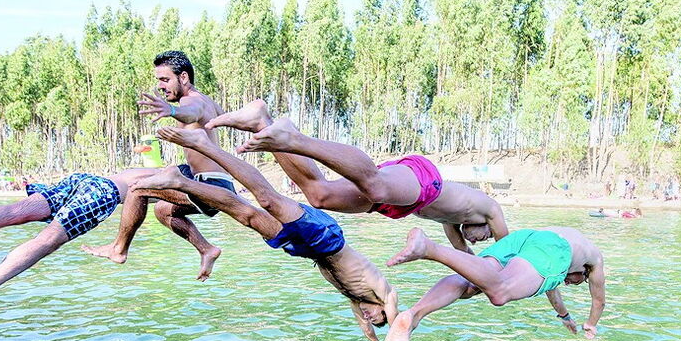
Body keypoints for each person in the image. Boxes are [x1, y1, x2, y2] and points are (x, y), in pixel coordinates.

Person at [131, 126, 399, 341]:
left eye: (371, 319)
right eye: (376, 316)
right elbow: (396, 316)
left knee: (246, 215)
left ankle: (180, 181)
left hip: (306, 251)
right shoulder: (382, 291)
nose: (368, 316)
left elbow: (367, 331)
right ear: (382, 309)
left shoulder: (355, 300)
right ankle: (205, 145)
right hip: (327, 238)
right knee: (267, 199)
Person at [205, 100, 508, 253]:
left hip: (400, 203)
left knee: (319, 195)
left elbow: (467, 257)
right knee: (374, 186)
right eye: (485, 238)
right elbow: (509, 252)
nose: (478, 241)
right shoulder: (489, 207)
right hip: (425, 181)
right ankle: (295, 139)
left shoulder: (454, 222)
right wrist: (555, 293)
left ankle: (262, 121)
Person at [0, 172, 139, 330]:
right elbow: (147, 196)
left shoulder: (157, 166)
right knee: (48, 240)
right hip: (105, 193)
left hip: (87, 179)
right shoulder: (174, 174)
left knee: (18, 211)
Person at [81, 51, 235, 281]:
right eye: (158, 80)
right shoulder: (206, 100)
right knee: (162, 210)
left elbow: (190, 112)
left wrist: (171, 110)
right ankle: (207, 249)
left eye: (165, 80)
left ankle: (119, 249)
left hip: (208, 185)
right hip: (211, 180)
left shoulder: (190, 100)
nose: (161, 86)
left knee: (139, 188)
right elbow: (224, 117)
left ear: (183, 77)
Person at [377, 226, 606, 341]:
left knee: (469, 284)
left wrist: (564, 316)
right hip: (554, 248)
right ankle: (429, 248)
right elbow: (598, 301)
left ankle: (412, 315)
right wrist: (591, 324)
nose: (568, 283)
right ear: (584, 273)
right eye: (577, 282)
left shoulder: (570, 244)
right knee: (500, 292)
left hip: (526, 238)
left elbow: (550, 288)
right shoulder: (593, 259)